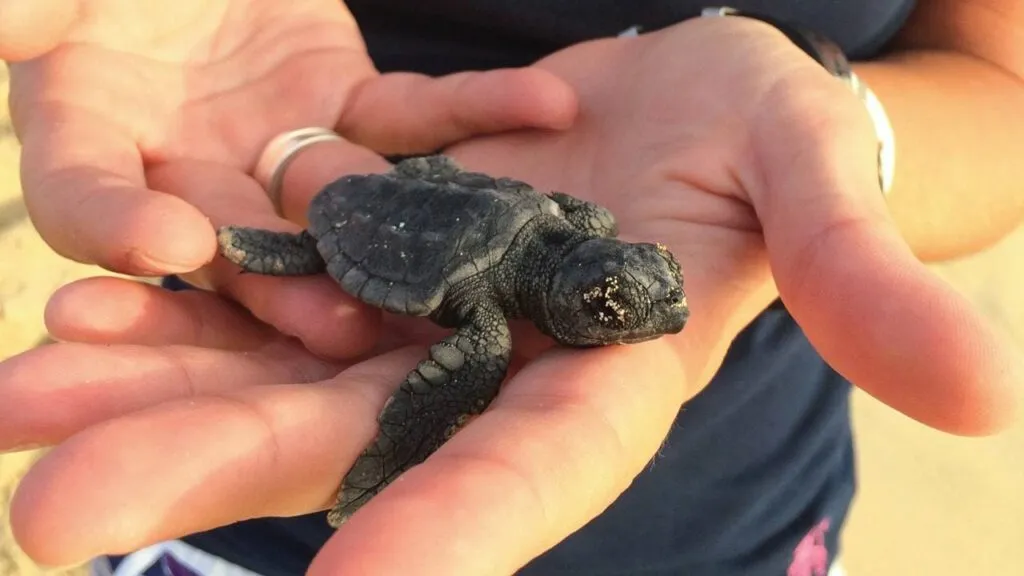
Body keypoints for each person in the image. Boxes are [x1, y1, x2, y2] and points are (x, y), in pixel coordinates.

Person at [1, 1, 1022, 575]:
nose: (645, 318)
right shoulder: (492, 317)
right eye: (619, 310)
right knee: (323, 274)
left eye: (642, 291)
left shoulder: (571, 227)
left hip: (741, 526)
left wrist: (847, 129)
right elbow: (436, 349)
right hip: (259, 463)